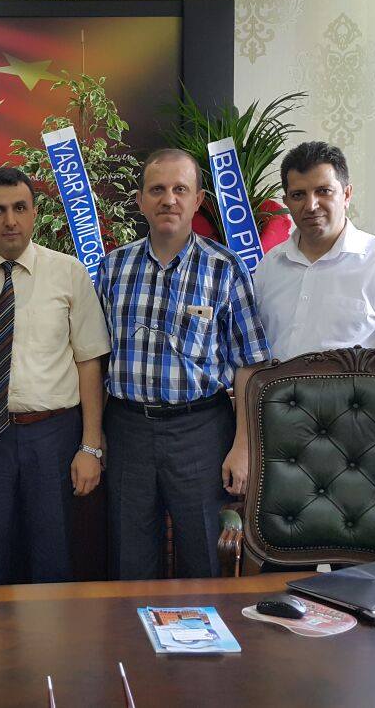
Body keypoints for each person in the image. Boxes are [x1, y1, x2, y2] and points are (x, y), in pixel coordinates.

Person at [97, 149, 271, 580]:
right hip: (128, 429)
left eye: (180, 189)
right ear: (140, 201)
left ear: (198, 200)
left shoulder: (225, 268)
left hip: (201, 431)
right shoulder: (113, 268)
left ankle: (203, 629)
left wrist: (243, 446)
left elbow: (249, 364)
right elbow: (96, 358)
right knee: (129, 558)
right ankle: (134, 628)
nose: (168, 199)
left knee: (204, 555)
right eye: (157, 190)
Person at [0, 167, 111, 585]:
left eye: (20, 208)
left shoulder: (69, 273)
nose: (10, 220)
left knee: (52, 558)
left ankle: (49, 632)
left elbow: (89, 362)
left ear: (35, 213)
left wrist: (91, 446)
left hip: (52, 437)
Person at [253, 141, 375, 361]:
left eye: (323, 191)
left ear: (346, 195)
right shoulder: (269, 266)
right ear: (286, 202)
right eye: (298, 195)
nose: (311, 205)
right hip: (275, 385)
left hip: (359, 386)